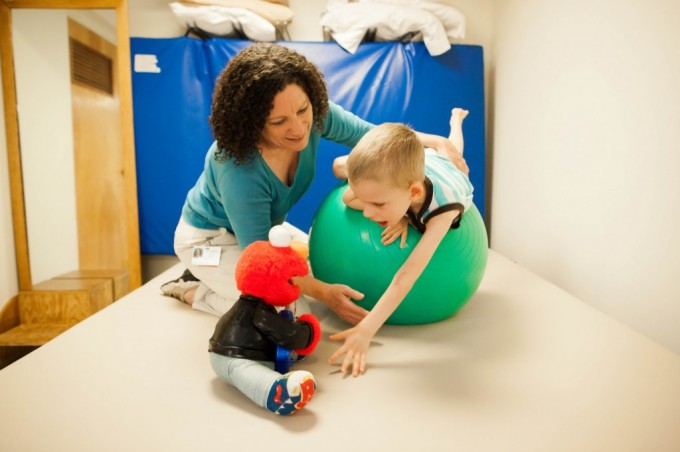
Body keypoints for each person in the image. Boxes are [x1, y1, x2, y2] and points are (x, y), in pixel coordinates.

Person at [160, 42, 468, 324]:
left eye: (302, 110)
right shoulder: (237, 167)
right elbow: (261, 255)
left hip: (271, 233)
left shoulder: (316, 115)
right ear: (251, 123)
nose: (298, 128)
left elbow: (376, 138)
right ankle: (192, 290)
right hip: (210, 239)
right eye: (279, 122)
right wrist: (324, 293)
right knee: (286, 316)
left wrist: (436, 142)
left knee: (319, 260)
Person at [328, 108, 473, 376]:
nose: (369, 214)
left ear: (413, 193)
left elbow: (406, 276)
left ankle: (455, 120)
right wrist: (399, 212)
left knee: (454, 152)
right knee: (344, 183)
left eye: (378, 204)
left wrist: (366, 330)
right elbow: (357, 199)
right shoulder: (402, 188)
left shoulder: (444, 210)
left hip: (446, 170)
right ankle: (357, 175)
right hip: (417, 169)